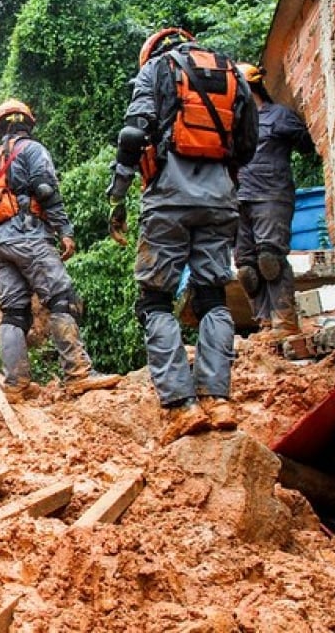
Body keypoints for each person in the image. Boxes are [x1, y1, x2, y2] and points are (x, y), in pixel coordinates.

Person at [105, 28, 258, 443]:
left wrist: (117, 195)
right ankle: (218, 399)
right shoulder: (232, 72)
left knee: (155, 298)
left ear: (152, 53)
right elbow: (247, 144)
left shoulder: (157, 69)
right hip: (220, 199)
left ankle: (180, 405)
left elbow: (134, 134)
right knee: (212, 295)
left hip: (168, 200)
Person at [0, 98, 121, 401]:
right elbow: (45, 190)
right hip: (27, 233)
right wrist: (64, 231)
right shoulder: (32, 149)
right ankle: (78, 374)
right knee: (62, 299)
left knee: (14, 313)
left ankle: (16, 384)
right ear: (27, 123)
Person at [233, 62, 316, 340]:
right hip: (238, 200)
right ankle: (265, 325)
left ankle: (285, 323)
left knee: (270, 259)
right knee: (246, 267)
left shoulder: (279, 115)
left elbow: (308, 147)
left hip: (271, 195)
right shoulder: (231, 126)